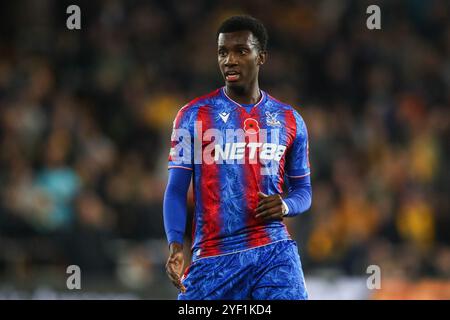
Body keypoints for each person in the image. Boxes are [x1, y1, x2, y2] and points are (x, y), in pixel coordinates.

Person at [163, 15, 312, 300]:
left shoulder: (290, 120)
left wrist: (285, 204)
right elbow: (176, 190)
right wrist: (175, 245)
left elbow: (303, 191)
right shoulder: (192, 115)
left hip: (274, 253)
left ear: (261, 57)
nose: (229, 60)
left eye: (241, 51)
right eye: (223, 52)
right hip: (213, 257)